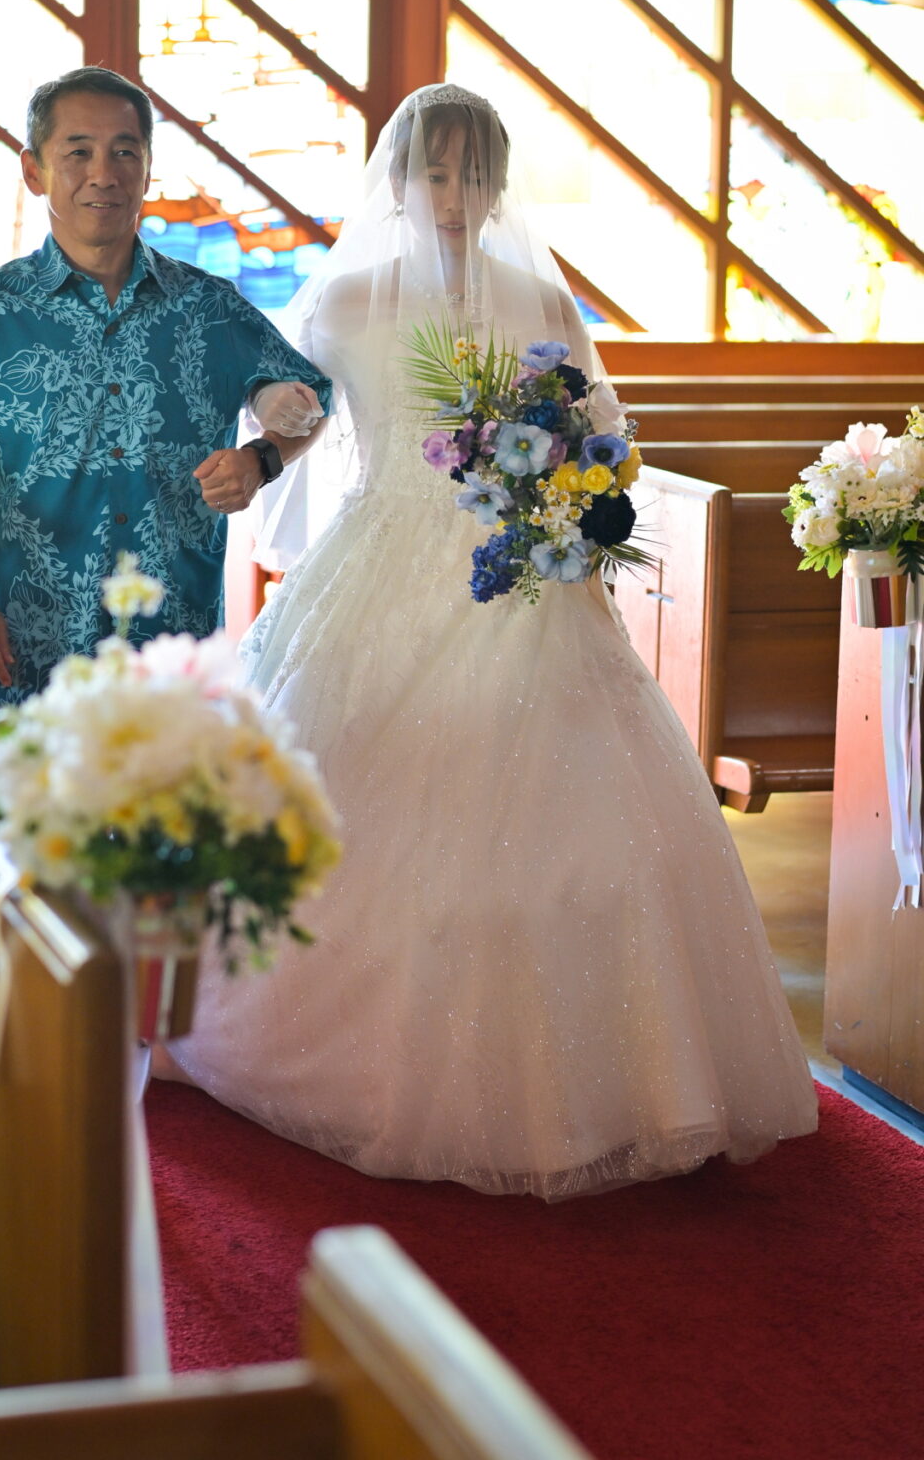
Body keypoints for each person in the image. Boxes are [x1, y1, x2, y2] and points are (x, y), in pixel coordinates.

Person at [157, 82, 818, 1200]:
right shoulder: (344, 300)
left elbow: (598, 427)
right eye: (435, 171)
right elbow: (296, 413)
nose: (454, 195)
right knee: (356, 796)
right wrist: (258, 458)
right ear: (399, 178)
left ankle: (614, 1079)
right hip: (380, 558)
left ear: (498, 182)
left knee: (580, 816)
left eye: (474, 173)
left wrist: (568, 498)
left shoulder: (536, 296)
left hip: (522, 574)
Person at [0, 66, 330, 732]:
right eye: (78, 152)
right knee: (31, 806)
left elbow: (311, 398)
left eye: (124, 152)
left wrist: (261, 460)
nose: (103, 174)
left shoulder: (208, 307)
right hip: (31, 653)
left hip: (172, 650)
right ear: (34, 171)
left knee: (179, 805)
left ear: (148, 169)